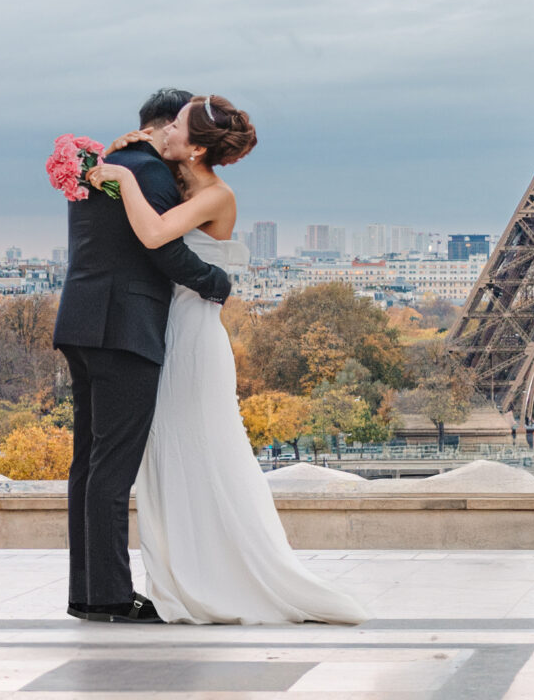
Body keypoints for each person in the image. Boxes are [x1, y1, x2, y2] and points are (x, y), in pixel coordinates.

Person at [87, 93, 366, 627]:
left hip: (190, 337)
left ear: (193, 149)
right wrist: (129, 148)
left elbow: (151, 235)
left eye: (174, 128)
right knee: (179, 454)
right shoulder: (189, 179)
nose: (164, 131)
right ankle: (190, 575)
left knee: (193, 450)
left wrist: (120, 178)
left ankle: (207, 578)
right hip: (172, 328)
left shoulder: (217, 195)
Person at [54, 84, 234, 623]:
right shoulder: (151, 175)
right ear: (163, 128)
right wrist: (217, 282)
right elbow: (164, 252)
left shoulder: (103, 164)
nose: (179, 135)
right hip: (126, 328)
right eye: (177, 125)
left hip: (81, 319)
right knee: (113, 468)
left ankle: (86, 592)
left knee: (87, 463)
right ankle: (109, 597)